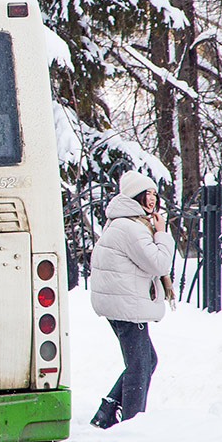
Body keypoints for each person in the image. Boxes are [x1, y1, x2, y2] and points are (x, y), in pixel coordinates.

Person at [88, 170, 175, 428]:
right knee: (139, 364)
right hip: (127, 306)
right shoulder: (130, 226)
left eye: (154, 193)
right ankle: (131, 423)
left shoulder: (125, 222)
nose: (152, 199)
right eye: (146, 194)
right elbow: (159, 262)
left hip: (121, 303)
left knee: (147, 359)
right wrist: (162, 232)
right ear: (134, 196)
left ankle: (107, 411)